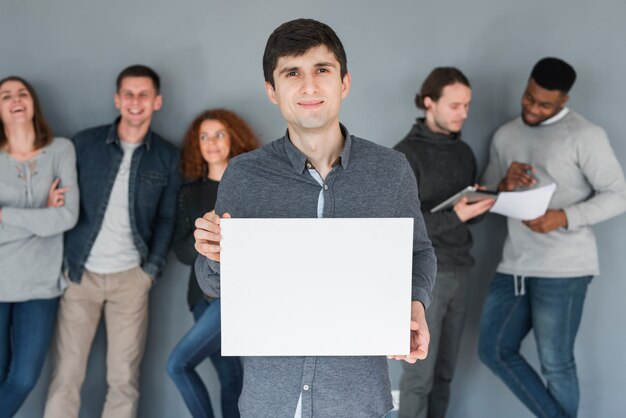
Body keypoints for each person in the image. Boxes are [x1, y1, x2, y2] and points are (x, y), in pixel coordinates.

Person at [194, 19, 437, 418]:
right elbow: (213, 284)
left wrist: (416, 305)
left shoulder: (391, 170)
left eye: (322, 70)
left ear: (344, 82)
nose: (309, 86)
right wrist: (214, 256)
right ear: (272, 91)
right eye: (292, 73)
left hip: (358, 401)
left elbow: (419, 253)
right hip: (270, 403)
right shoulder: (243, 175)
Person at [478, 57, 626, 418]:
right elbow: (484, 198)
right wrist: (502, 185)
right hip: (514, 265)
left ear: (563, 101)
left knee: (556, 364)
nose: (532, 107)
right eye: (528, 97)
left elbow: (619, 194)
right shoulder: (506, 134)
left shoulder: (585, 135)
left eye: (544, 104)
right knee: (493, 350)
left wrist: (564, 217)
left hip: (565, 269)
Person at [44, 65, 181, 418]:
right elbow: (62, 199)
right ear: (117, 99)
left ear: (157, 101)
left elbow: (167, 218)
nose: (136, 102)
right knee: (66, 377)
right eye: (129, 94)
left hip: (130, 281)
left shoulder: (167, 156)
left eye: (144, 95)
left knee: (123, 381)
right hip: (80, 275)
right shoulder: (85, 144)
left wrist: (149, 271)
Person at [393, 67, 494, 418]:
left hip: (461, 273)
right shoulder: (404, 156)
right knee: (418, 376)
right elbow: (404, 226)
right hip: (424, 279)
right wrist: (459, 216)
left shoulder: (464, 152)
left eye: (467, 106)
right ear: (428, 103)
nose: (463, 114)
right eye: (455, 105)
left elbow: (469, 217)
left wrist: (481, 205)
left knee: (445, 375)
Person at [168, 109, 258, 418]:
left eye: (219, 134)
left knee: (178, 364)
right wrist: (211, 243)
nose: (212, 142)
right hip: (199, 298)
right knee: (230, 375)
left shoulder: (249, 186)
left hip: (233, 296)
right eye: (204, 136)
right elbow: (181, 249)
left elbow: (258, 245)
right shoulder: (188, 193)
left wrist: (218, 243)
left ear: (233, 138)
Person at [0, 76, 79, 417]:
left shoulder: (60, 150)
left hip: (41, 285)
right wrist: (43, 215)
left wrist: (4, 216)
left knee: (24, 378)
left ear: (33, 103)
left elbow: (67, 218)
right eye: (6, 96)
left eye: (22, 93)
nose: (15, 99)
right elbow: (51, 220)